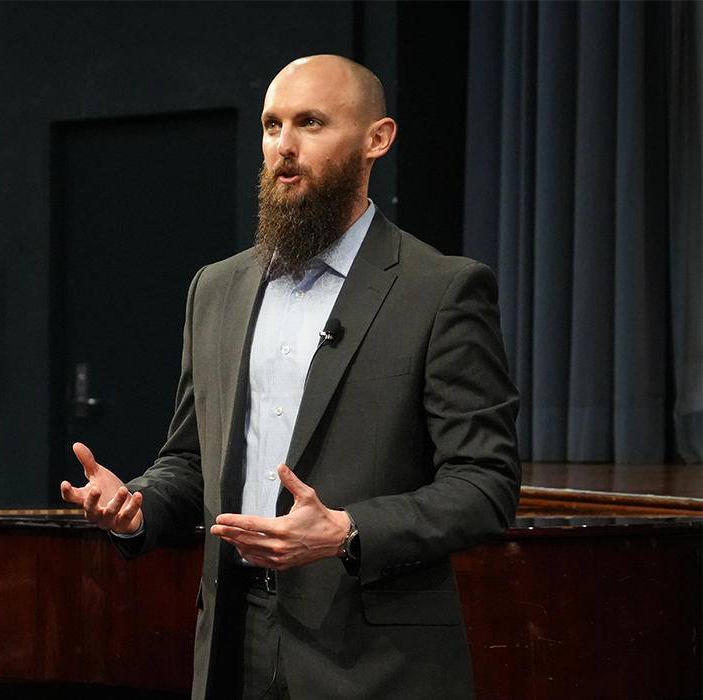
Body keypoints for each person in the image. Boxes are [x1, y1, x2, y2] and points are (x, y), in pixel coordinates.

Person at [61, 54, 520, 700]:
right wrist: (135, 507)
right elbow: (191, 460)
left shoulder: (441, 291)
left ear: (376, 140)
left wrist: (346, 530)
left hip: (374, 659)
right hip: (232, 639)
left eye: (310, 123)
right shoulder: (215, 289)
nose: (285, 146)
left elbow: (485, 485)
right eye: (272, 125)